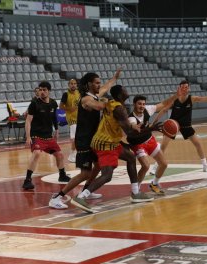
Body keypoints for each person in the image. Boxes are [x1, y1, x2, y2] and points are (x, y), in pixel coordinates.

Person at [72, 85, 157, 213]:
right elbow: (130, 133)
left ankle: (135, 193)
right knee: (107, 176)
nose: (126, 91)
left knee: (130, 157)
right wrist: (151, 129)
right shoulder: (119, 109)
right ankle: (81, 197)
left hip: (109, 140)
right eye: (124, 90)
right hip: (105, 143)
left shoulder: (112, 103)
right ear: (119, 95)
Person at [49, 70, 121, 209]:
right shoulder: (86, 99)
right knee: (85, 173)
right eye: (97, 83)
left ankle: (87, 190)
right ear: (89, 84)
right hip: (84, 141)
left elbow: (106, 87)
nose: (100, 85)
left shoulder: (94, 95)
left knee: (99, 164)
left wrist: (114, 78)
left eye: (100, 82)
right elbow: (100, 106)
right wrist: (109, 101)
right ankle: (57, 197)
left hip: (93, 139)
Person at [151, 80, 207, 174]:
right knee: (163, 146)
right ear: (179, 88)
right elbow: (164, 110)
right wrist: (153, 123)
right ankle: (156, 165)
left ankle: (205, 165)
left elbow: (204, 99)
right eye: (183, 87)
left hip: (186, 125)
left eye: (186, 87)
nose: (185, 89)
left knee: (198, 144)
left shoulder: (192, 99)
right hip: (173, 124)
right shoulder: (174, 99)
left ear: (189, 88)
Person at [127, 86, 185, 195]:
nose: (142, 106)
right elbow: (134, 126)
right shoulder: (131, 118)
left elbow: (163, 104)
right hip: (138, 144)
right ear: (134, 104)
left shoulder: (147, 110)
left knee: (163, 164)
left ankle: (154, 183)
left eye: (143, 104)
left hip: (150, 140)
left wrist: (176, 96)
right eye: (139, 104)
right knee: (146, 166)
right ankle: (136, 190)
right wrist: (140, 127)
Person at [22, 81, 70, 190]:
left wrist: (56, 129)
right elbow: (28, 121)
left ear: (49, 91)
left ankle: (62, 176)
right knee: (37, 154)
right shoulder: (34, 103)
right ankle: (27, 180)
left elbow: (54, 118)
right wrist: (28, 137)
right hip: (36, 136)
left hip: (48, 136)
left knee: (60, 155)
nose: (42, 92)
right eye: (40, 90)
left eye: (44, 90)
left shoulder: (53, 103)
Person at [60, 79, 80, 163]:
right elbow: (61, 106)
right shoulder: (66, 94)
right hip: (72, 119)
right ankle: (72, 155)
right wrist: (69, 109)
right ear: (69, 85)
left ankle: (77, 154)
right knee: (75, 138)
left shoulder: (79, 93)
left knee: (80, 138)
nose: (73, 85)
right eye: (71, 83)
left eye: (75, 84)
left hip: (80, 118)